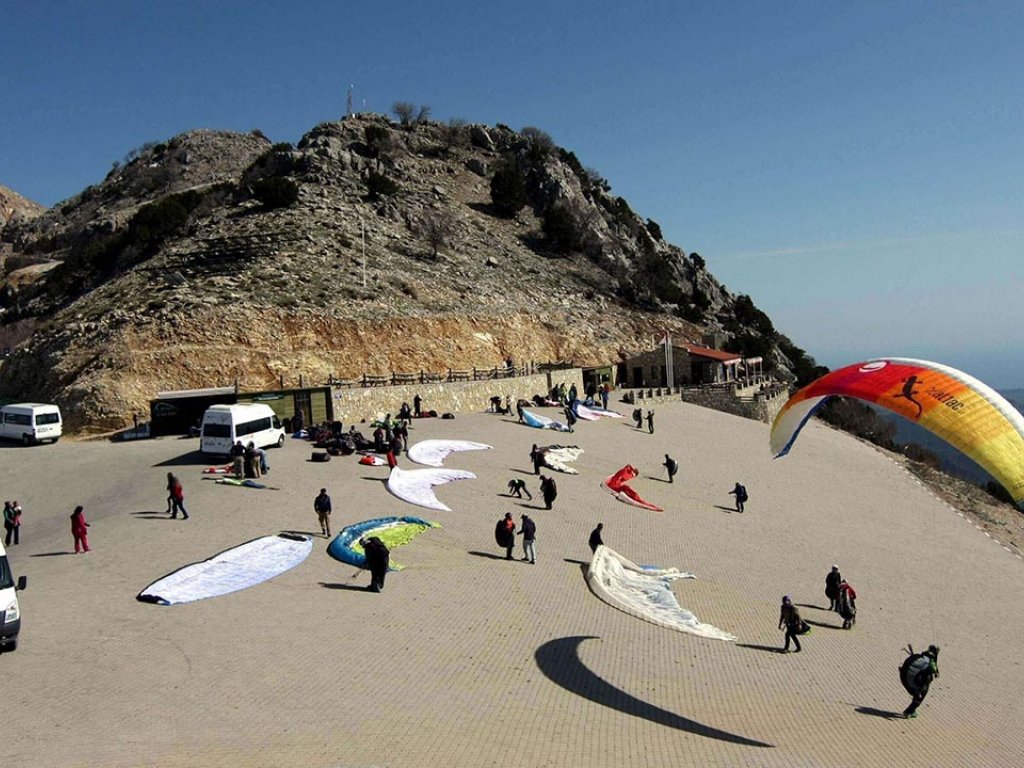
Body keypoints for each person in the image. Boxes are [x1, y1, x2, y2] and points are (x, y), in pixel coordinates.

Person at [901, 645, 940, 718]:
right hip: (909, 682)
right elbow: (933, 669)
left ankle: (913, 708)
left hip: (902, 676)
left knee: (921, 684)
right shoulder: (929, 663)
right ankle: (909, 711)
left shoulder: (920, 657)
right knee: (922, 692)